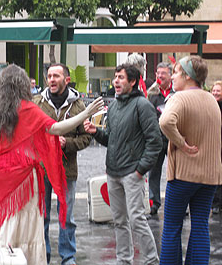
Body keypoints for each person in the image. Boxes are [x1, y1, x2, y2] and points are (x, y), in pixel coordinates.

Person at [0, 64, 103, 265]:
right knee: (28, 225)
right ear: (23, 86)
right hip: (27, 181)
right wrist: (85, 114)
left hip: (0, 181)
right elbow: (56, 128)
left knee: (3, 227)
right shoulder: (28, 109)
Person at [84, 63, 162, 265]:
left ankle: (151, 260)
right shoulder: (116, 106)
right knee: (119, 221)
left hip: (132, 173)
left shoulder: (143, 105)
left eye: (120, 77)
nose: (115, 81)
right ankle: (123, 260)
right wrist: (96, 133)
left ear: (133, 81)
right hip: (113, 172)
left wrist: (140, 170)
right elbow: (111, 139)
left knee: (137, 220)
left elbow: (155, 141)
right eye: (115, 77)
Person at [159, 56, 222, 264]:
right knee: (200, 226)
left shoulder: (179, 97)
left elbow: (166, 121)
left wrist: (181, 143)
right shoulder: (211, 100)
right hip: (210, 175)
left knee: (172, 228)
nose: (173, 77)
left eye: (176, 72)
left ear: (187, 76)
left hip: (183, 174)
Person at [33, 63, 92, 265]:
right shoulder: (37, 103)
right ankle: (43, 255)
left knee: (66, 216)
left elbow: (86, 138)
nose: (51, 80)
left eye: (56, 76)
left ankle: (68, 257)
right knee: (42, 216)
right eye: (49, 76)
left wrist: (68, 144)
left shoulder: (78, 106)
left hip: (67, 170)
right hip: (42, 169)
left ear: (66, 79)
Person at [146, 62, 174, 216]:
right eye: (158, 73)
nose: (160, 76)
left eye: (163, 73)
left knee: (176, 171)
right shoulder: (152, 93)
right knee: (154, 172)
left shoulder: (177, 92)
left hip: (173, 137)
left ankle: (177, 204)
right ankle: (154, 203)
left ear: (170, 75)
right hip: (157, 138)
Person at [211, 81, 222, 214]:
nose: (215, 93)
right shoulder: (210, 105)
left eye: (218, 91)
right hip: (214, 144)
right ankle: (216, 203)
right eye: (214, 91)